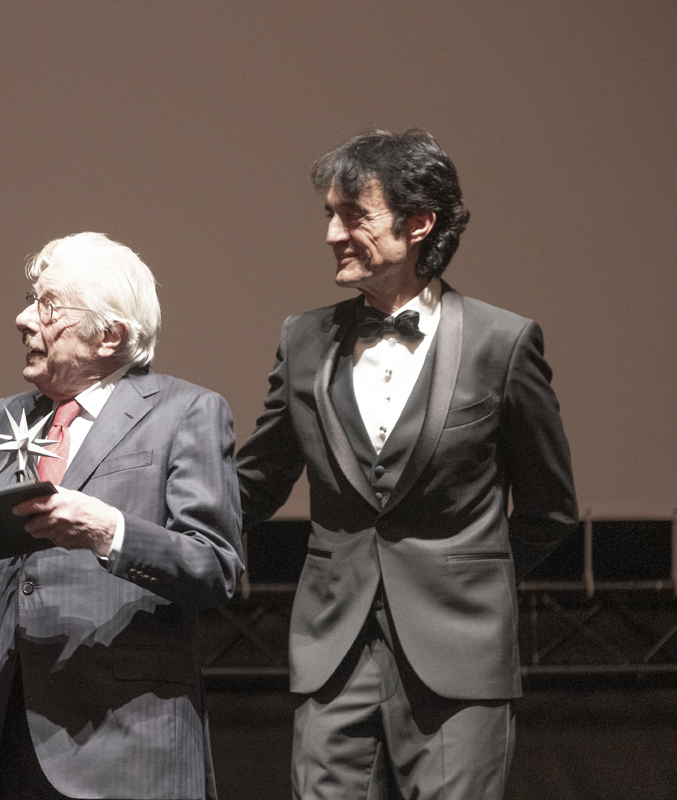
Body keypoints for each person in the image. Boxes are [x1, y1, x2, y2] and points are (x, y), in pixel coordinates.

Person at [236, 130, 578, 799]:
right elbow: (255, 482)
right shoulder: (302, 340)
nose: (333, 233)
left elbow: (550, 509)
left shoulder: (502, 343)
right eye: (328, 216)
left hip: (460, 657)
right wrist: (136, 524)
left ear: (419, 223)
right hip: (333, 654)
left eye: (353, 215)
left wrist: (466, 573)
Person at [0, 232, 245, 799]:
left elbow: (216, 567)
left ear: (110, 335)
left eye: (47, 306)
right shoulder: (5, 417)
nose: (23, 319)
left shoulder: (186, 412)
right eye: (30, 299)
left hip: (127, 737)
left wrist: (107, 531)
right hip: (6, 734)